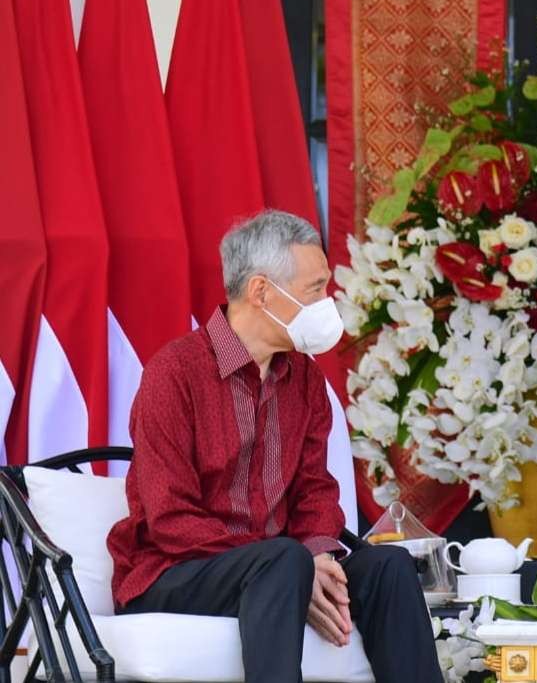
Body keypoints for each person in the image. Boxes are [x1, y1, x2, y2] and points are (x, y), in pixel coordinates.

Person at [107, 210, 442, 683]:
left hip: (278, 568)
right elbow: (170, 519)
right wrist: (292, 565)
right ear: (261, 292)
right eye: (314, 290)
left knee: (388, 565)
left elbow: (315, 490)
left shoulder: (303, 376)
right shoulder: (175, 373)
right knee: (281, 558)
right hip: (175, 571)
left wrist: (319, 556)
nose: (326, 303)